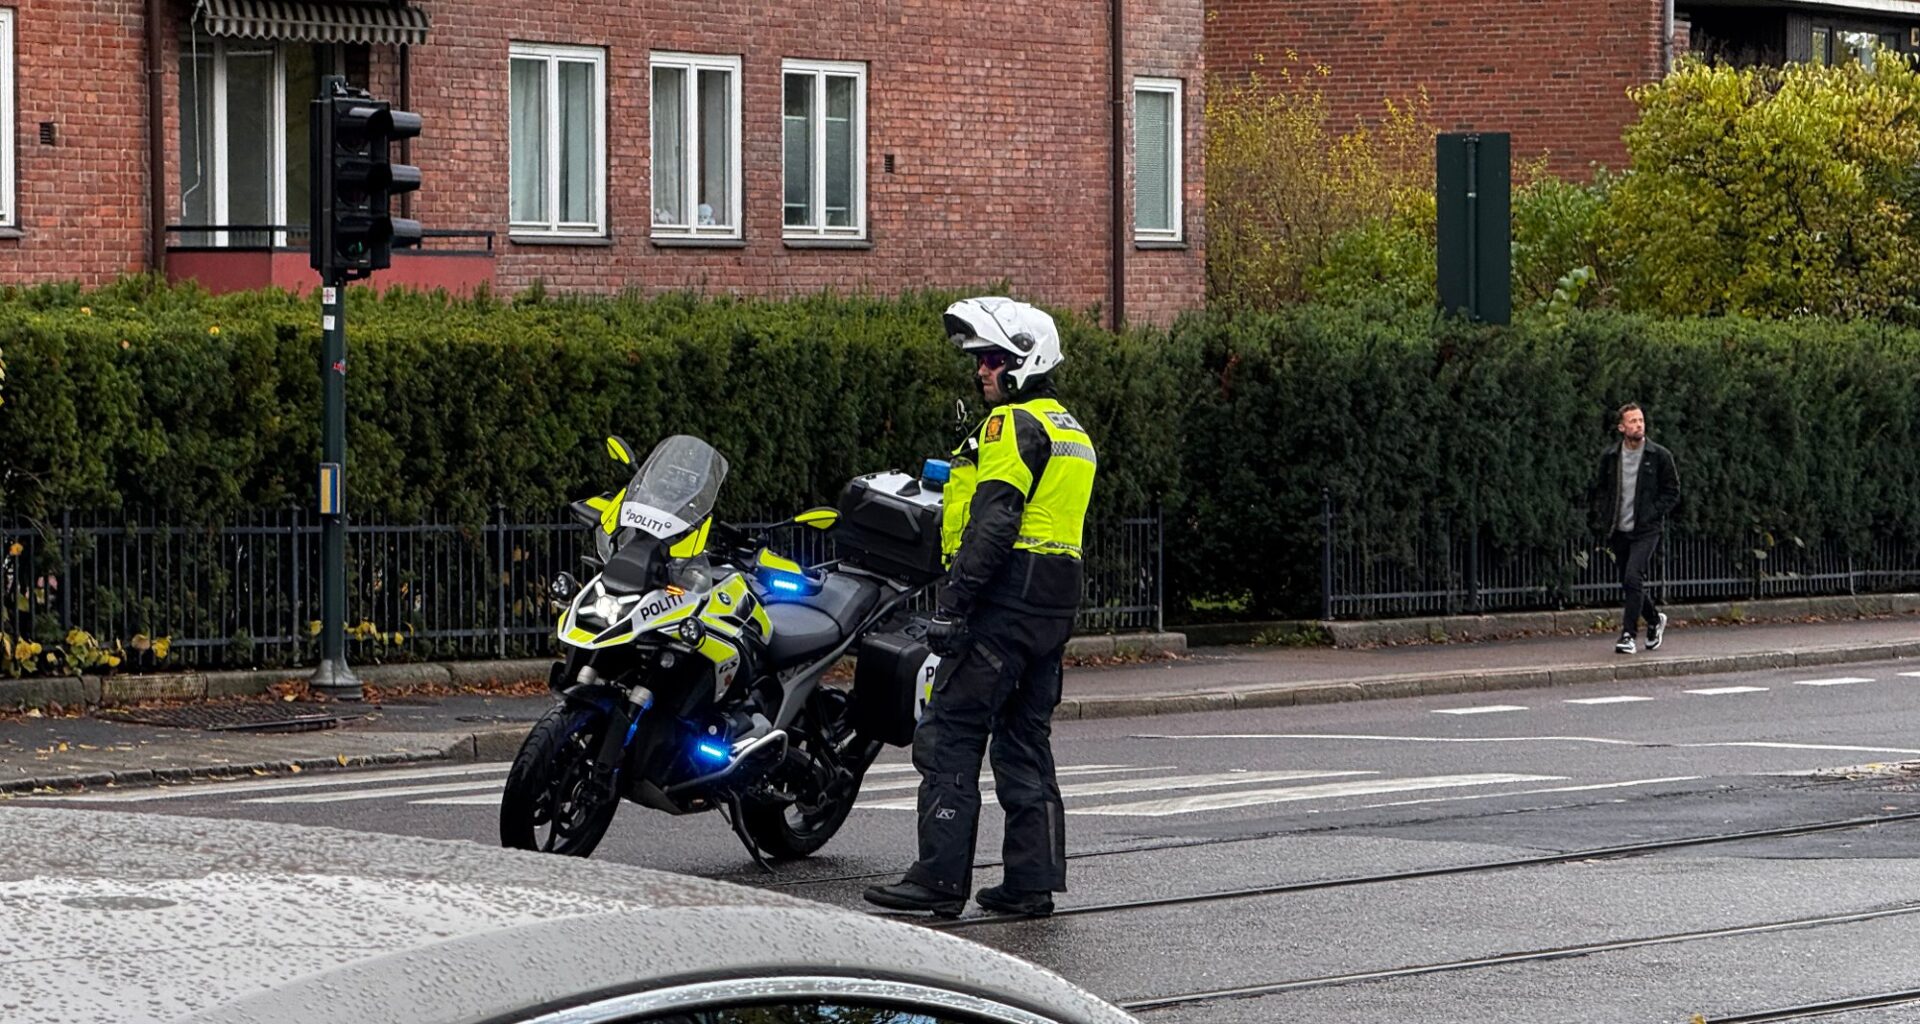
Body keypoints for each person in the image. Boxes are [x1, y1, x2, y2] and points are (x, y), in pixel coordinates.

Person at [864, 297, 1097, 919]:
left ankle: (937, 882)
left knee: (949, 735)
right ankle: (1031, 884)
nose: (981, 371)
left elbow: (995, 522)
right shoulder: (1070, 429)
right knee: (1024, 742)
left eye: (993, 360)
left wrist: (954, 603)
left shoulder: (1008, 426)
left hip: (1004, 599)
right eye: (980, 360)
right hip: (1054, 602)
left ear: (1025, 362)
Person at [1590, 402, 1681, 654]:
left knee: (1633, 576)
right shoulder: (1610, 457)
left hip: (1646, 529)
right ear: (1622, 427)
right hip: (1619, 528)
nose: (1638, 425)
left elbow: (1672, 491)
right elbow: (1601, 490)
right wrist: (1603, 515)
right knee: (1628, 582)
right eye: (1633, 421)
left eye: (1641, 420)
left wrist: (1651, 513)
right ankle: (1654, 620)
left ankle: (1628, 635)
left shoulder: (1659, 455)